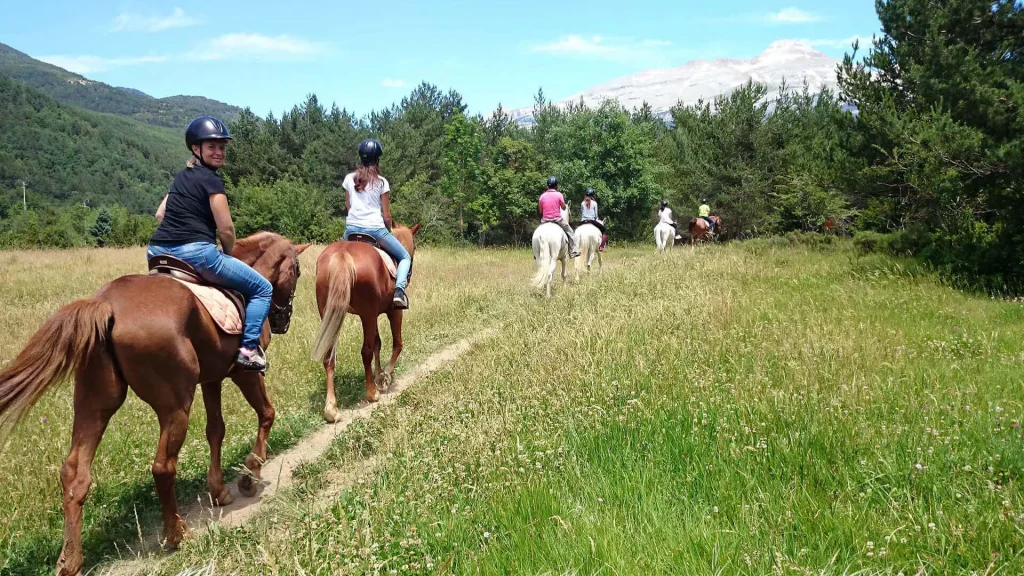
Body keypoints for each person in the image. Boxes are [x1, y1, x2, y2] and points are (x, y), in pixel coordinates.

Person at [148, 116, 273, 372]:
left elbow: (160, 214)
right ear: (196, 148)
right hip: (197, 254)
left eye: (222, 147)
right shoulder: (212, 181)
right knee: (262, 288)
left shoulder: (181, 177)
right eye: (212, 146)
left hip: (157, 252)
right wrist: (228, 254)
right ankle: (248, 350)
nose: (219, 152)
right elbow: (226, 228)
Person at [342, 138, 412, 310]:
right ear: (378, 159)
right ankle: (399, 292)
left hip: (350, 230)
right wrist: (387, 232)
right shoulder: (382, 182)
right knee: (405, 257)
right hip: (375, 230)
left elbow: (348, 206)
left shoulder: (349, 179)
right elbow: (387, 216)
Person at [539, 177, 580, 258]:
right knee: (571, 233)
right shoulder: (559, 195)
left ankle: (537, 252)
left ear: (548, 185)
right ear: (556, 186)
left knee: (538, 233)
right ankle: (572, 251)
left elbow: (540, 211)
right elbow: (564, 208)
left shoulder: (542, 196)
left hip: (545, 220)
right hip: (557, 219)